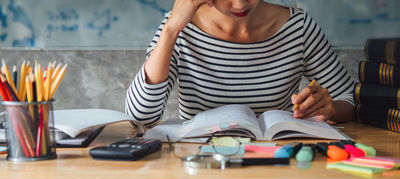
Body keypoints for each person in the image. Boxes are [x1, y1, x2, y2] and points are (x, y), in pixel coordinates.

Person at [125, 0, 355, 127]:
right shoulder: (180, 28)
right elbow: (140, 117)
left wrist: (330, 108)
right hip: (200, 164)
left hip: (279, 160)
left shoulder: (299, 28)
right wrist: (171, 29)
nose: (240, 4)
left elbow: (350, 98)